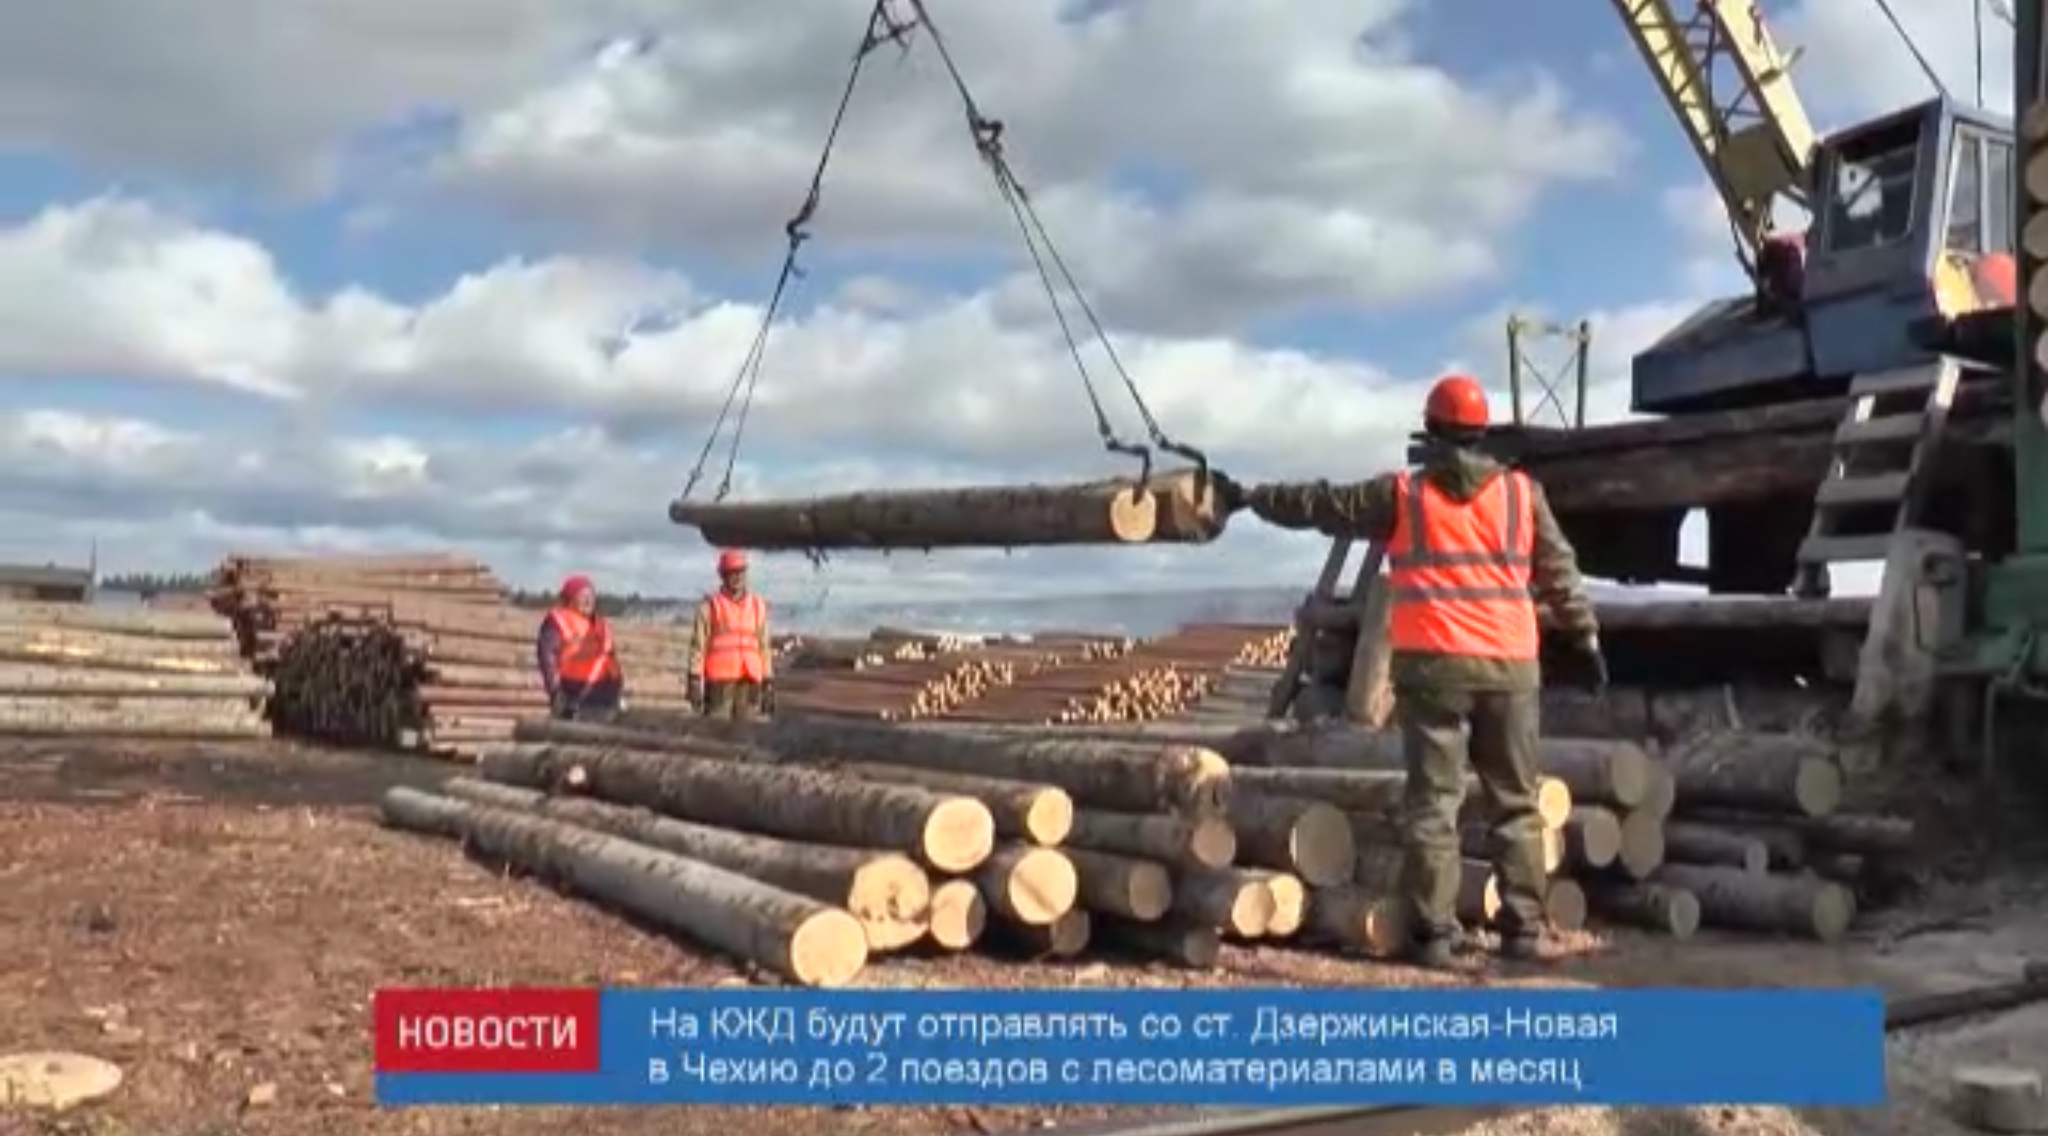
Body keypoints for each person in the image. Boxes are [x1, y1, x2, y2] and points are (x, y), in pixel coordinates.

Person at [1209, 375, 1604, 969]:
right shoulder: (1522, 495)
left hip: (1435, 668)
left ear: (1430, 431)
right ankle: (1523, 931)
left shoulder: (1403, 495)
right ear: (1482, 432)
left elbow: (1321, 504)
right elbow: (1560, 569)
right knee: (1517, 804)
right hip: (1510, 669)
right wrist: (1585, 636)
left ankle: (1435, 937)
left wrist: (1249, 496)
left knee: (1434, 806)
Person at [686, 550, 774, 720]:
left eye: (741, 571)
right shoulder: (709, 607)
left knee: (747, 733)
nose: (737, 577)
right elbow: (698, 646)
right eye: (732, 572)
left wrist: (768, 681)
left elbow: (764, 648)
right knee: (717, 731)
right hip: (720, 684)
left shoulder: (758, 606)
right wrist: (694, 679)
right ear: (722, 575)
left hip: (749, 681)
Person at [535, 574, 625, 720]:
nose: (588, 600)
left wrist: (618, 688)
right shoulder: (558, 621)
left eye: (591, 596)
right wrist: (555, 691)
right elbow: (547, 658)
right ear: (571, 598)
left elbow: (610, 660)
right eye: (582, 596)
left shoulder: (601, 625)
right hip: (572, 693)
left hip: (604, 695)